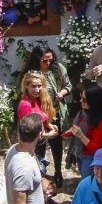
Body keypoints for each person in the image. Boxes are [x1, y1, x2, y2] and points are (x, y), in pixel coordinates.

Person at [27, 44, 73, 179]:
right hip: (38, 113)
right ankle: (41, 174)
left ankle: (58, 171)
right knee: (39, 144)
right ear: (37, 59)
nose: (48, 63)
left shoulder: (58, 68)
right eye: (44, 60)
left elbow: (68, 86)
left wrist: (62, 93)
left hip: (55, 112)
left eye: (50, 60)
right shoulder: (31, 73)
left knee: (56, 144)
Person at [17, 71, 61, 181]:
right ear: (26, 86)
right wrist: (48, 135)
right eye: (33, 86)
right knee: (35, 177)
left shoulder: (36, 100)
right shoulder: (25, 106)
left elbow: (41, 117)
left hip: (39, 147)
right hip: (31, 150)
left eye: (39, 86)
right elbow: (31, 136)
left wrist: (48, 124)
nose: (37, 90)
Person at [65, 83, 102, 179]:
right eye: (81, 97)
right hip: (80, 153)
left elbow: (96, 148)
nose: (81, 101)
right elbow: (78, 126)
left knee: (87, 181)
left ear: (93, 102)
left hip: (90, 157)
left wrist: (81, 136)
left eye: (84, 100)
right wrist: (68, 132)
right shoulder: (84, 112)